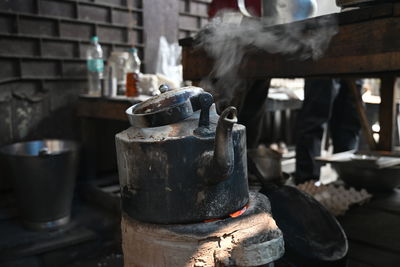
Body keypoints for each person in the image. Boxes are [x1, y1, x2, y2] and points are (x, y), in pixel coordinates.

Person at [294, 79, 362, 184]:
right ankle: (307, 184)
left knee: (348, 125)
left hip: (356, 66)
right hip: (322, 66)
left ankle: (346, 179)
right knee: (314, 120)